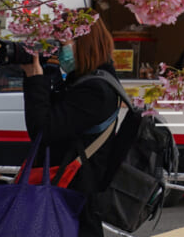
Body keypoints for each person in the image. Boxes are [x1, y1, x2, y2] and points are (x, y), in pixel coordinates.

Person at [21, 15, 123, 237]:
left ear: (83, 44)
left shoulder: (95, 89)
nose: (58, 51)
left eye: (62, 44)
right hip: (70, 197)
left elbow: (42, 130)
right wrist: (47, 72)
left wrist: (34, 79)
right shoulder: (89, 81)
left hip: (74, 201)